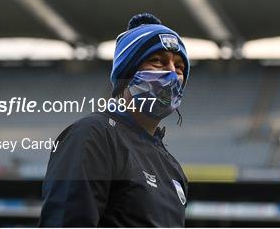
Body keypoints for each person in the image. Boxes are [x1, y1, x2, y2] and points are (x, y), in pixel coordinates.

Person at [39, 13, 190, 227]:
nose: (172, 74)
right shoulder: (94, 134)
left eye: (180, 67)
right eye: (157, 61)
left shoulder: (170, 165)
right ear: (127, 72)